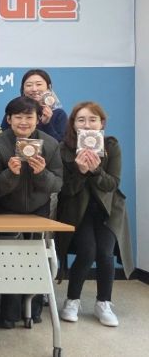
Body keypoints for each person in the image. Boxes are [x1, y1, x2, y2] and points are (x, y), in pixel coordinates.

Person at [0, 96, 63, 329]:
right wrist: (11, 173)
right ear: (9, 119)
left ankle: (34, 311)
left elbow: (57, 185)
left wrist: (41, 173)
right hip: (7, 211)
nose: (23, 122)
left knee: (37, 259)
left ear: (38, 119)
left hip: (39, 211)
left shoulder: (50, 144)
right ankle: (8, 315)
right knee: (10, 261)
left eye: (29, 117)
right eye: (17, 117)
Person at [56, 102, 134, 327]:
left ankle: (104, 303)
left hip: (108, 210)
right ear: (73, 124)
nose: (87, 125)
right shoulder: (64, 149)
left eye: (93, 119)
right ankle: (72, 300)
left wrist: (95, 170)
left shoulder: (111, 146)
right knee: (87, 251)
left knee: (105, 254)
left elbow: (112, 184)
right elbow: (65, 190)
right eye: (81, 120)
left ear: (102, 123)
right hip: (77, 210)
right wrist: (80, 172)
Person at [1, 69, 67, 142]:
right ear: (23, 89)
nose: (34, 89)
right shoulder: (14, 110)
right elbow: (3, 139)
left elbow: (59, 145)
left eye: (39, 84)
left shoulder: (59, 114)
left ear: (48, 87)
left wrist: (46, 124)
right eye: (29, 85)